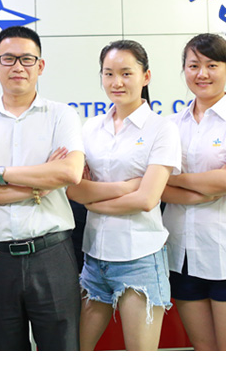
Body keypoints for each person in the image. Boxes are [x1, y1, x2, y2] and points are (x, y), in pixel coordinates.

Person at [0, 25, 85, 351]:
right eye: (8, 58)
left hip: (52, 254)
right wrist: (40, 184)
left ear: (40, 66)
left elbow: (70, 172)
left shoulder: (62, 115)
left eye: (27, 59)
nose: (18, 67)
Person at [67, 40, 180, 351]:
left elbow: (147, 200)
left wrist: (92, 200)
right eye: (109, 73)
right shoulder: (90, 128)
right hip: (94, 256)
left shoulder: (162, 129)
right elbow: (74, 189)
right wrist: (125, 187)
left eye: (126, 73)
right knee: (74, 350)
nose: (117, 82)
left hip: (140, 257)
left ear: (146, 76)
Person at [161, 33, 226, 351]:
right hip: (182, 254)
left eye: (212, 65)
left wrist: (177, 179)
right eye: (194, 65)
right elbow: (156, 186)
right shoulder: (169, 125)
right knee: (203, 351)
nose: (202, 74)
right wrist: (205, 184)